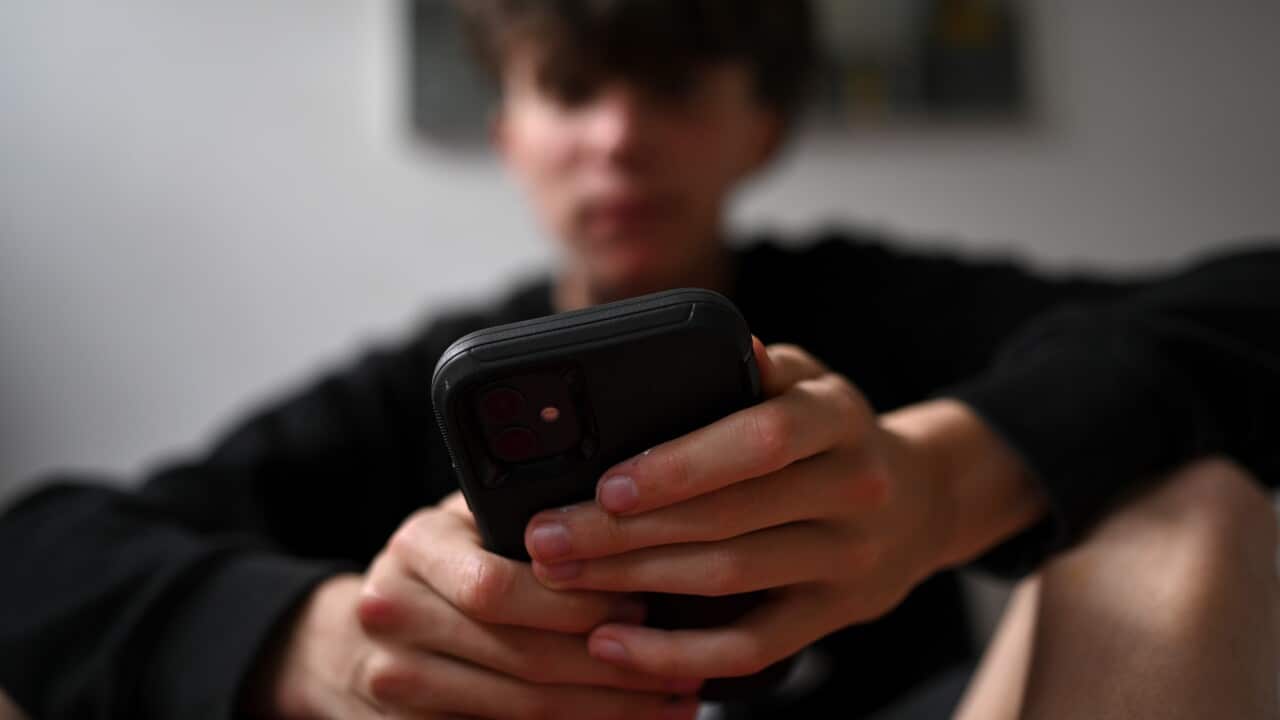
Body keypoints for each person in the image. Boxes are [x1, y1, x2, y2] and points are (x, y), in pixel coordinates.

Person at [1, 1, 1277, 718]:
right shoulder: (418, 385)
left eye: (670, 87)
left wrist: (947, 482)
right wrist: (314, 646)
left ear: (758, 125)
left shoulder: (877, 306)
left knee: (1192, 509)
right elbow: (37, 552)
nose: (615, 138)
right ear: (509, 134)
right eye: (570, 88)